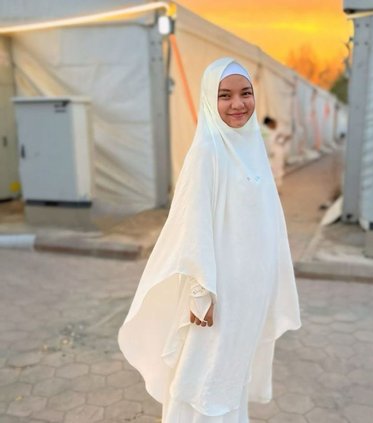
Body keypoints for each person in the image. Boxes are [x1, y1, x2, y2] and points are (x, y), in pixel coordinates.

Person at [117, 57, 301, 423]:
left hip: (250, 290)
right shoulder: (208, 152)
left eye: (245, 93)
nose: (238, 104)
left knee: (231, 373)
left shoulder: (251, 148)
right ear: (208, 100)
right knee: (204, 375)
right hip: (219, 292)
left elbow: (265, 222)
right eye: (225, 95)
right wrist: (202, 293)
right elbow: (193, 225)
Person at [262, 116, 292, 193]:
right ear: (269, 124)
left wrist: (284, 138)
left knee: (278, 170)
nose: (275, 124)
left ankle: (276, 188)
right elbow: (272, 143)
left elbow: (282, 141)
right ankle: (272, 189)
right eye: (273, 123)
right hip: (272, 155)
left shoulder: (275, 132)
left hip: (277, 154)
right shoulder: (267, 133)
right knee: (273, 171)